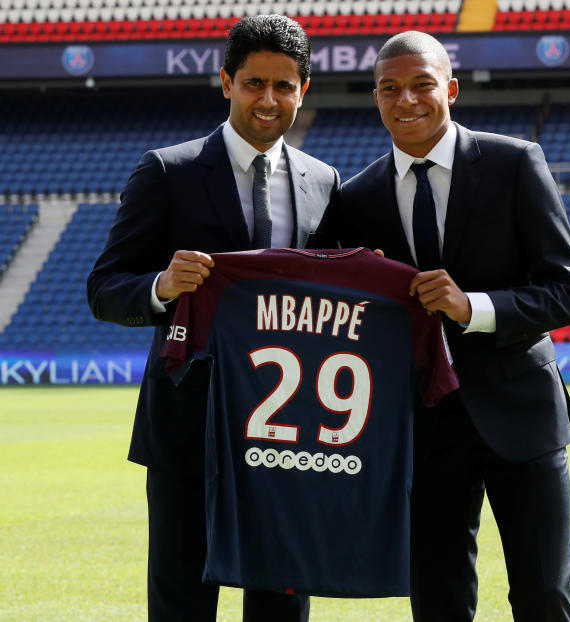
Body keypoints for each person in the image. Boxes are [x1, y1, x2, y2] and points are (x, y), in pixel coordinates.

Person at [309, 30, 570, 622]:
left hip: (521, 417)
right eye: (390, 89)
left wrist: (475, 308)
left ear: (452, 89)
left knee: (543, 593)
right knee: (437, 600)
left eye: (421, 85)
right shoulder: (355, 199)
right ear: (376, 98)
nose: (405, 100)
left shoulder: (516, 163)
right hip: (419, 429)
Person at [87, 14, 337, 622]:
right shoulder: (167, 171)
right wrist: (162, 286)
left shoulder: (324, 183)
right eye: (254, 83)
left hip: (287, 433)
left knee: (281, 602)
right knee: (181, 602)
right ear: (226, 82)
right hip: (186, 426)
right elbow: (104, 288)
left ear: (303, 89)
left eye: (284, 85)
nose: (269, 99)